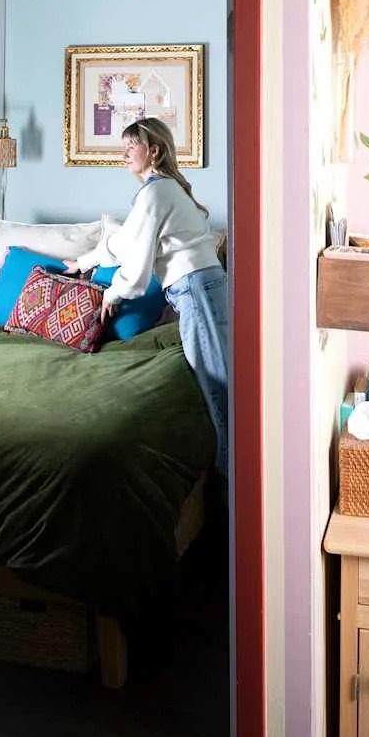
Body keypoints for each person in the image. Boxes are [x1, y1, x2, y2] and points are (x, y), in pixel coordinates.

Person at [66, 117, 229, 482]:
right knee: (219, 391)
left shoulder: (155, 192)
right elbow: (124, 242)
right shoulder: (163, 190)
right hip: (202, 287)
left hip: (196, 290)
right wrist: (83, 262)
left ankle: (230, 502)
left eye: (131, 146)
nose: (124, 153)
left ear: (153, 150)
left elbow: (136, 267)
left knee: (219, 395)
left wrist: (112, 291)